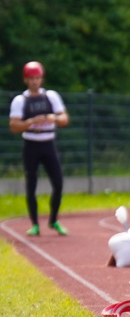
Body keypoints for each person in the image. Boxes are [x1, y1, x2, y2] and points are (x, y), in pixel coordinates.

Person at [8, 61, 70, 236]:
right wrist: (30, 122)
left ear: (41, 78)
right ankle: (34, 223)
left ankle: (54, 220)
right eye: (31, 78)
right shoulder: (21, 100)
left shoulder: (51, 96)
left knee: (58, 183)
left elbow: (64, 118)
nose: (35, 81)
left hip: (49, 143)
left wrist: (53, 119)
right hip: (31, 144)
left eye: (37, 78)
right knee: (31, 184)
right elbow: (13, 125)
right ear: (26, 80)